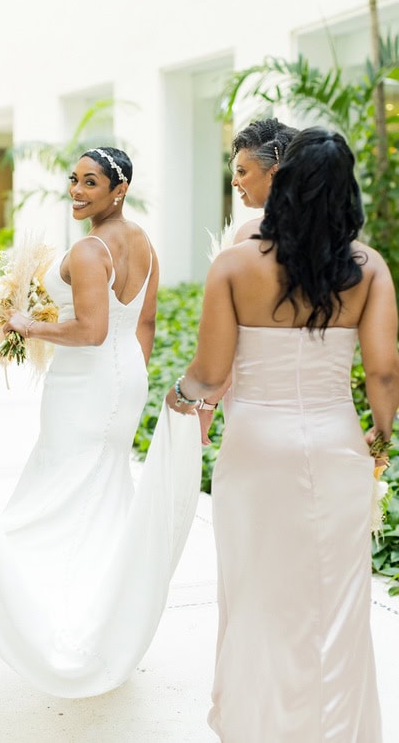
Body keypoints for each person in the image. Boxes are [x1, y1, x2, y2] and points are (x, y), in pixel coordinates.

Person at [0, 145, 203, 698]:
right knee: (100, 490)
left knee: (63, 490)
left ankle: (53, 613)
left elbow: (90, 330)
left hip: (84, 382)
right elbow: (144, 320)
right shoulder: (142, 241)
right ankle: (105, 611)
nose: (76, 190)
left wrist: (26, 324)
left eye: (90, 182)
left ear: (117, 189)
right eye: (73, 179)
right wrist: (132, 375)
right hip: (123, 377)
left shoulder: (92, 248)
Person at [166, 127, 399, 741]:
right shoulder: (367, 268)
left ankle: (257, 725)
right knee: (336, 595)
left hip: (255, 449)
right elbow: (383, 369)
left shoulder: (236, 265)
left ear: (285, 184)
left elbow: (210, 373)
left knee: (255, 589)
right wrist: (380, 434)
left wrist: (179, 399)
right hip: (334, 444)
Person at [228, 117, 298, 242]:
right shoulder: (319, 228)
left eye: (242, 172)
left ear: (274, 174)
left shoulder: (250, 234)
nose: (234, 181)